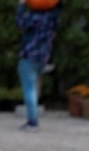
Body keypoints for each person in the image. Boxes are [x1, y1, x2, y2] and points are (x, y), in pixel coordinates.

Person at [16, 0, 61, 132]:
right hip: (43, 57)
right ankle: (32, 119)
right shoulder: (52, 17)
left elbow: (20, 23)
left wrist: (21, 6)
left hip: (29, 55)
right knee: (33, 87)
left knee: (29, 89)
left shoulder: (34, 17)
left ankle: (32, 121)